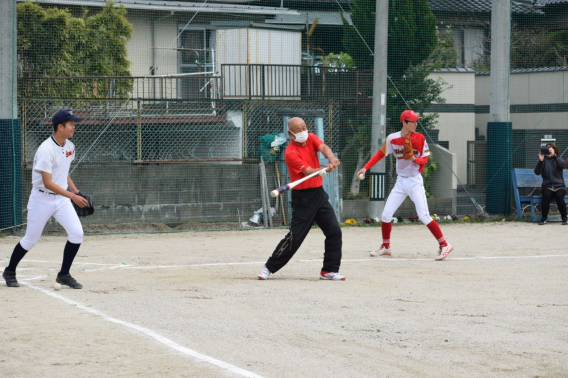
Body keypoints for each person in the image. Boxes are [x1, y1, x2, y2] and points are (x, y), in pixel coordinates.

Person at [2, 110, 89, 289]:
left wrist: (75, 191)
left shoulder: (70, 146)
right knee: (30, 240)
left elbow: (63, 173)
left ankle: (64, 274)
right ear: (60, 127)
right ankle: (9, 271)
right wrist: (72, 196)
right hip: (42, 199)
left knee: (77, 234)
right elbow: (48, 183)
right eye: (71, 123)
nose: (74, 126)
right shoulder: (45, 150)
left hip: (62, 198)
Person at [357, 110, 454, 261]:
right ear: (404, 123)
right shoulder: (392, 139)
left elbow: (425, 160)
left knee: (423, 215)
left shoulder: (420, 138)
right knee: (386, 215)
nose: (416, 124)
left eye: (416, 121)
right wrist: (365, 167)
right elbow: (380, 154)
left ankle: (444, 245)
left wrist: (414, 159)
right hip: (401, 182)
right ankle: (386, 247)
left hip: (415, 181)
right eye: (412, 121)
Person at [258, 117, 345, 280]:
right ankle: (268, 267)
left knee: (334, 231)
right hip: (303, 198)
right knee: (295, 237)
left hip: (318, 194)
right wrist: (324, 168)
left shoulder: (311, 137)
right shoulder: (290, 152)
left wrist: (331, 159)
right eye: (298, 129)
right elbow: (308, 171)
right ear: (291, 134)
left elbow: (323, 147)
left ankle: (329, 270)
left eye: (304, 127)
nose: (302, 131)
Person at [534, 143, 567, 225]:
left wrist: (554, 156)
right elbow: (537, 172)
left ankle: (564, 218)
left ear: (554, 150)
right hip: (547, 186)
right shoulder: (543, 161)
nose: (549, 152)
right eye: (547, 150)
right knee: (546, 196)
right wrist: (540, 161)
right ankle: (543, 219)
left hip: (559, 186)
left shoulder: (557, 159)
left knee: (559, 197)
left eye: (550, 150)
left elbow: (563, 165)